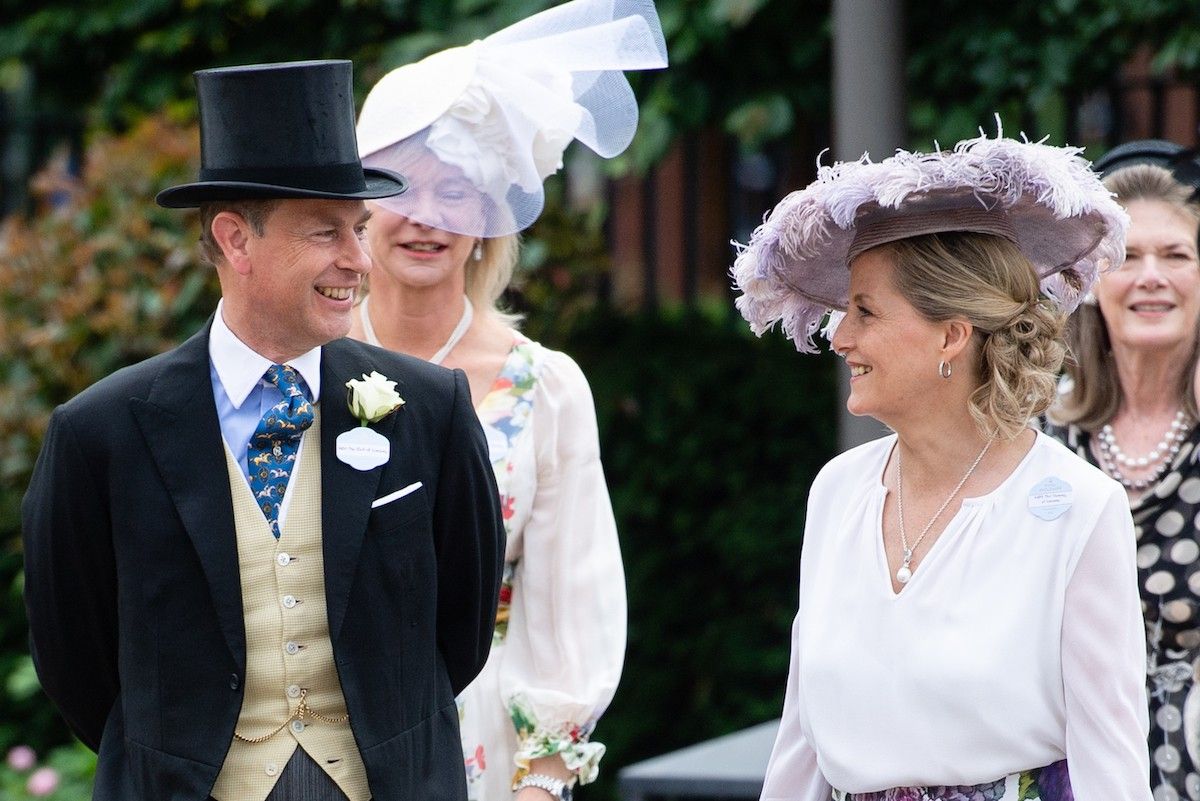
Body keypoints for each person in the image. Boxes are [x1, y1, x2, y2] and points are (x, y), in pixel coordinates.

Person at [21, 60, 505, 801]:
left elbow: (460, 630)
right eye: (325, 232)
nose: (356, 260)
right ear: (235, 241)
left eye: (358, 230)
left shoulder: (429, 408)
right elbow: (75, 657)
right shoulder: (100, 434)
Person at [731, 133, 1151, 801]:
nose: (839, 336)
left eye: (864, 311)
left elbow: (1111, 762)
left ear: (952, 335)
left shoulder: (1078, 508)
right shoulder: (837, 491)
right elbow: (801, 742)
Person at [349, 3, 666, 800]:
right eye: (403, 187)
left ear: (491, 218)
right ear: (360, 205)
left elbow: (572, 597)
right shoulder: (301, 363)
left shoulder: (545, 385)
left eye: (457, 189)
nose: (428, 216)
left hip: (481, 739)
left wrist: (540, 782)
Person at [1044, 156, 1200, 800]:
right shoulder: (1038, 436)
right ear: (1090, 283)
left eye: (1177, 255)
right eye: (1128, 257)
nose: (1152, 277)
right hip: (1070, 765)